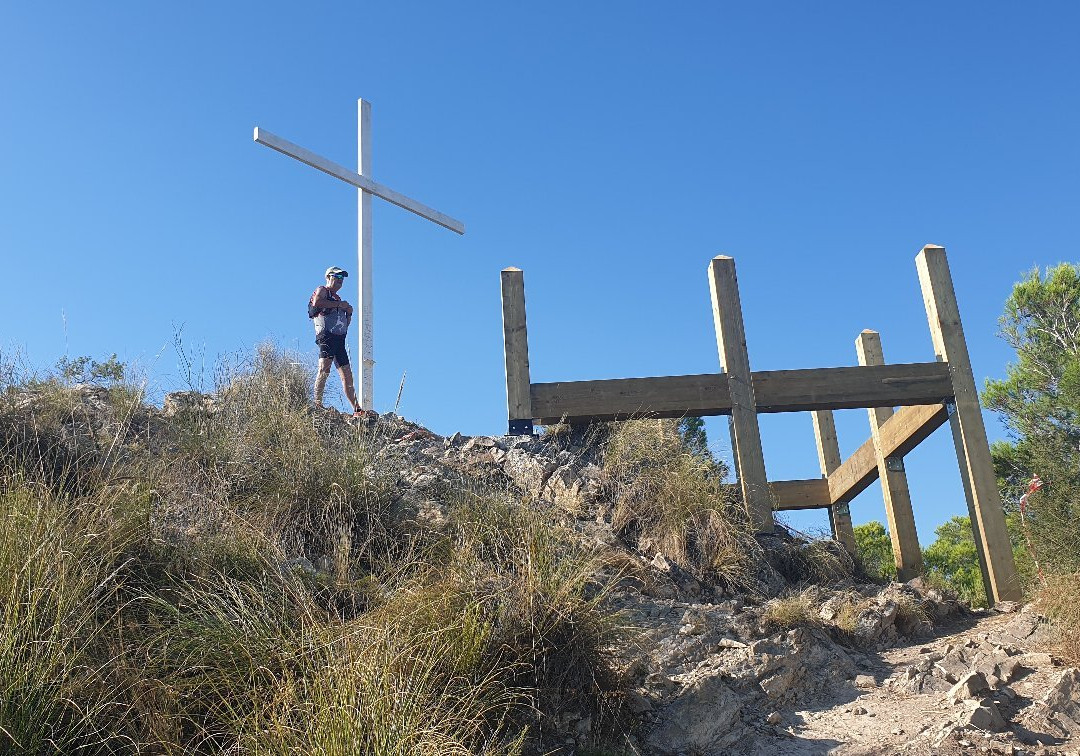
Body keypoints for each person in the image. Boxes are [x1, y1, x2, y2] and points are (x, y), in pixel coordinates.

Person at [309, 266, 364, 416]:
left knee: (347, 375)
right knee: (324, 368)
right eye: (337, 277)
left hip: (339, 339)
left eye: (342, 278)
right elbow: (317, 303)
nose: (340, 281)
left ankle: (357, 409)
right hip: (326, 335)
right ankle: (317, 404)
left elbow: (345, 324)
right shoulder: (323, 290)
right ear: (328, 277)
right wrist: (340, 305)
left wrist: (348, 313)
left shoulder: (337, 299)